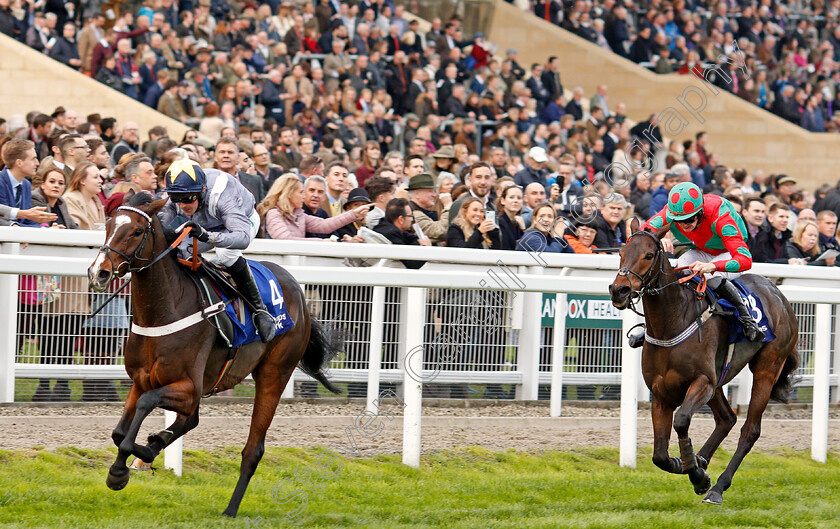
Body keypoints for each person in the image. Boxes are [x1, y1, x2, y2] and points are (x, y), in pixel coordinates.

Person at [158, 156, 276, 342]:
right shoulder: (177, 194)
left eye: (188, 199)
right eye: (176, 199)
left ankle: (260, 310)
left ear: (202, 191)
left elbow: (242, 238)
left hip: (243, 221)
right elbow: (160, 226)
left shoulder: (222, 195)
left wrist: (208, 237)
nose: (182, 205)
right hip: (208, 225)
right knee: (179, 250)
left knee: (226, 253)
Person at [642, 182, 765, 343]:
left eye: (689, 219)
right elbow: (641, 232)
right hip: (703, 250)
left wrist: (713, 266)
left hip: (728, 252)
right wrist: (660, 236)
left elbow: (745, 260)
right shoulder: (671, 211)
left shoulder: (719, 216)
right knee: (676, 271)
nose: (684, 225)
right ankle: (651, 328)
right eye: (679, 221)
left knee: (711, 277)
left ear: (700, 213)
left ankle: (746, 318)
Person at [261, 173, 372, 240]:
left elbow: (324, 225)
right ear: (289, 193)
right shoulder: (274, 214)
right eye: (301, 192)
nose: (304, 196)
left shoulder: (299, 215)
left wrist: (353, 214)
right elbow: (287, 240)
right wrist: (322, 242)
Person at [373, 198, 430, 269]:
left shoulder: (388, 227)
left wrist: (420, 242)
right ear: (401, 219)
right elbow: (413, 264)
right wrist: (425, 247)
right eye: (411, 216)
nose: (412, 220)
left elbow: (412, 238)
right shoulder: (390, 233)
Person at [408, 173, 450, 246]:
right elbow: (440, 231)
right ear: (417, 194)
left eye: (434, 191)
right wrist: (448, 206)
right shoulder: (413, 215)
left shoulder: (423, 212)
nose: (434, 195)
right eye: (430, 191)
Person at [496, 184, 525, 250]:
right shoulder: (500, 222)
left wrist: (523, 229)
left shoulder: (517, 222)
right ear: (502, 200)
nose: (515, 201)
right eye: (511, 197)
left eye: (519, 198)